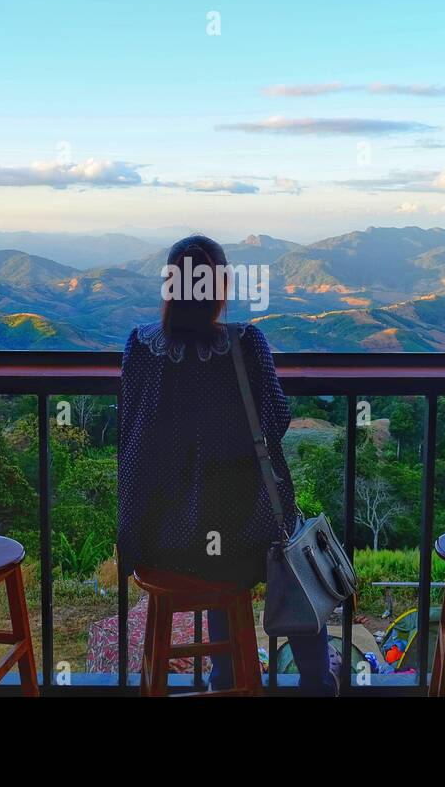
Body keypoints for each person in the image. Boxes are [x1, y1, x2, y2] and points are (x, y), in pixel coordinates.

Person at [117, 234, 336, 695]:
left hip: (163, 543)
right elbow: (275, 419)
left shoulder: (141, 348)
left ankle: (225, 677)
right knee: (281, 542)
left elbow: (132, 438)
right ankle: (317, 682)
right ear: (219, 287)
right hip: (242, 539)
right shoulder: (246, 344)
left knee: (209, 530)